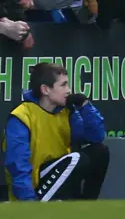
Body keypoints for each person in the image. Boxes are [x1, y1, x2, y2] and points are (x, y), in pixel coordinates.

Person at [2, 63, 110, 201]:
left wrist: (85, 106)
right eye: (63, 85)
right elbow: (18, 166)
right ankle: (39, 203)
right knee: (76, 159)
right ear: (45, 90)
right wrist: (28, 204)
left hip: (60, 177)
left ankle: (85, 206)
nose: (69, 90)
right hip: (34, 189)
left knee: (100, 151)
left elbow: (96, 137)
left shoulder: (67, 112)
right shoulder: (22, 116)